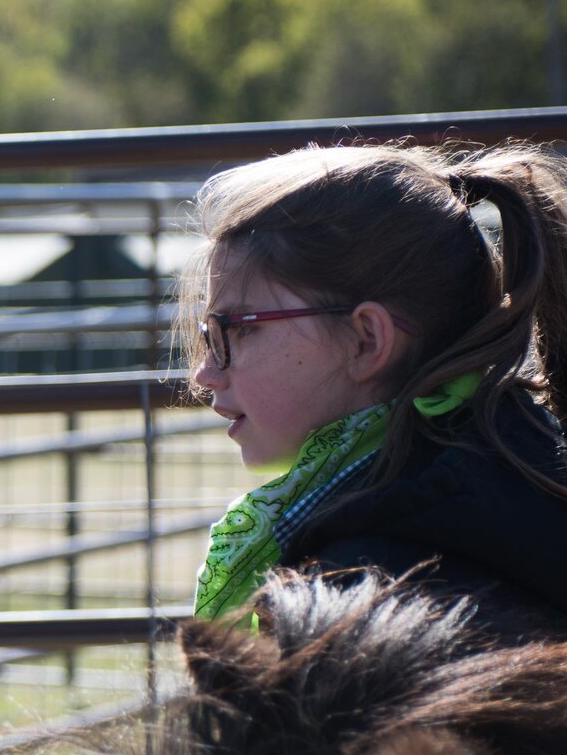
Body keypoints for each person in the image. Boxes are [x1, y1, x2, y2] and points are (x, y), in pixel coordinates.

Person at [186, 142, 567, 644]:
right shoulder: (504, 470)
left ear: (367, 340)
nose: (204, 374)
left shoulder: (357, 596)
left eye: (235, 329)